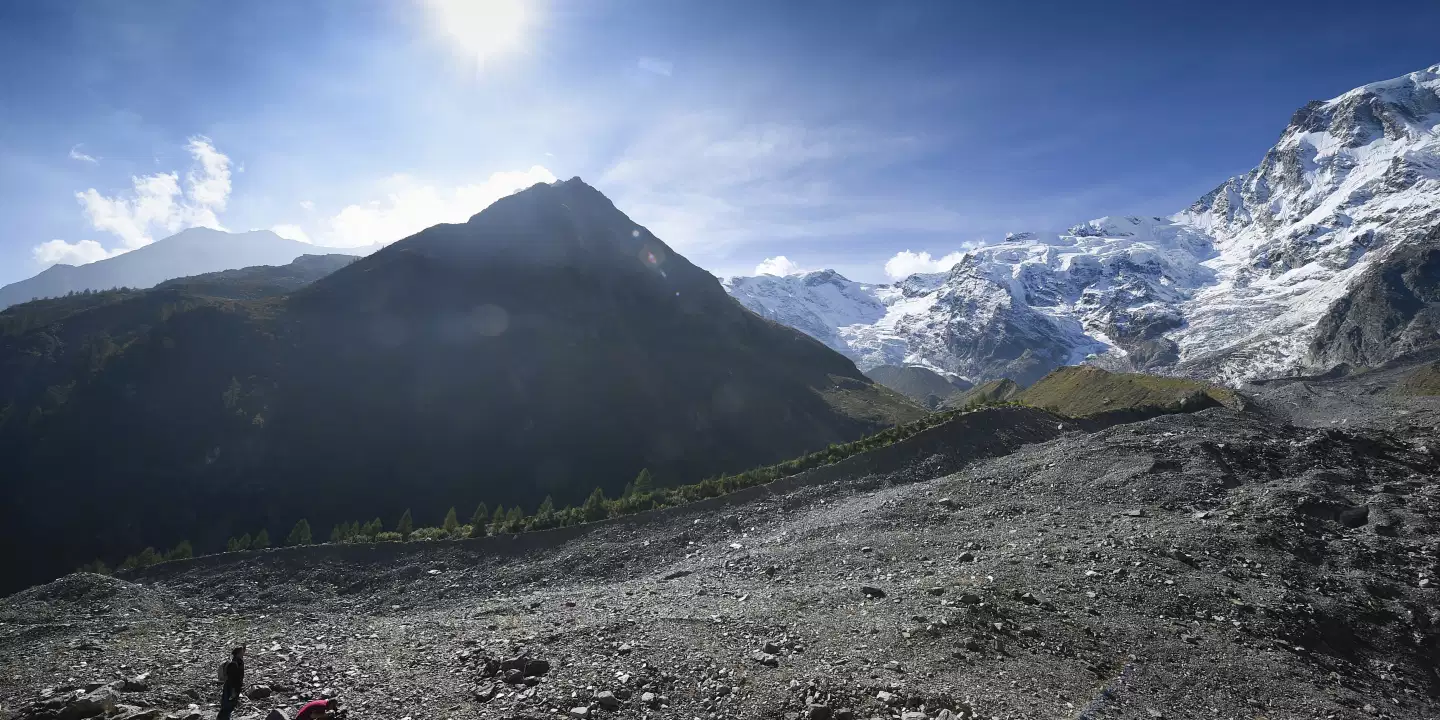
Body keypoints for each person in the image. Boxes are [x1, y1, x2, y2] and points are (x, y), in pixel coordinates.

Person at [218, 646, 245, 720]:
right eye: (242, 651)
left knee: (229, 705)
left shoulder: (238, 661)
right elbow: (233, 678)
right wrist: (233, 690)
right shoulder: (235, 663)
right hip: (231, 687)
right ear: (238, 653)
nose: (244, 652)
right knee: (228, 706)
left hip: (233, 687)